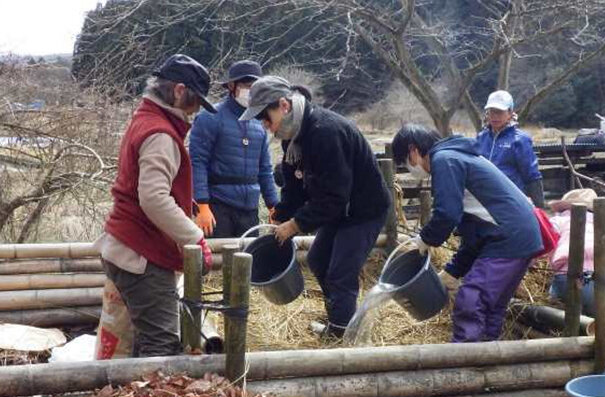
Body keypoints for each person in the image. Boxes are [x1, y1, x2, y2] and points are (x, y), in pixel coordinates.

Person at [239, 76, 390, 339]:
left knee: (340, 272)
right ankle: (340, 321)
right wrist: (281, 216)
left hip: (362, 210)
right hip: (338, 209)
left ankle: (344, 337)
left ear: (284, 106)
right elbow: (295, 187)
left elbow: (334, 197)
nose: (265, 125)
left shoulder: (325, 132)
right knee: (318, 260)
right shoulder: (292, 138)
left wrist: (296, 225)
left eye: (265, 116)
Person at [95, 54, 214, 357]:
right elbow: (154, 198)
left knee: (135, 337)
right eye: (195, 100)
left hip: (123, 244)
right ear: (178, 90)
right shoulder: (160, 133)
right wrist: (195, 237)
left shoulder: (145, 119)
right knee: (161, 343)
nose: (196, 108)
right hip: (141, 252)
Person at [391, 124, 543, 343]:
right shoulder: (456, 156)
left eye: (405, 163)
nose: (408, 169)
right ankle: (486, 359)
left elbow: (447, 214)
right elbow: (473, 229)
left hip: (508, 237)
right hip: (517, 235)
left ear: (413, 151)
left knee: (471, 301)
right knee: (492, 306)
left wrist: (423, 240)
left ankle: (465, 361)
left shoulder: (444, 160)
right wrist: (453, 270)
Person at [189, 60, 278, 237]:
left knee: (249, 259)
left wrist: (273, 205)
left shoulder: (259, 123)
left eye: (256, 86)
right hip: (218, 206)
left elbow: (265, 170)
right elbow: (197, 163)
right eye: (247, 85)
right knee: (218, 261)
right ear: (232, 85)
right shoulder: (210, 117)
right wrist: (202, 205)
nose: (251, 90)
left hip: (250, 208)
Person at [475, 90, 545, 208]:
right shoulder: (481, 138)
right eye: (491, 112)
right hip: (484, 200)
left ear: (510, 113)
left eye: (499, 112)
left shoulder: (520, 140)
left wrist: (539, 207)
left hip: (512, 201)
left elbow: (532, 176)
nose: (494, 116)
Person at [547, 188, 596, 315]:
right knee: (594, 314)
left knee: (554, 297)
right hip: (599, 279)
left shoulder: (558, 221)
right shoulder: (600, 223)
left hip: (567, 277)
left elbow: (548, 243)